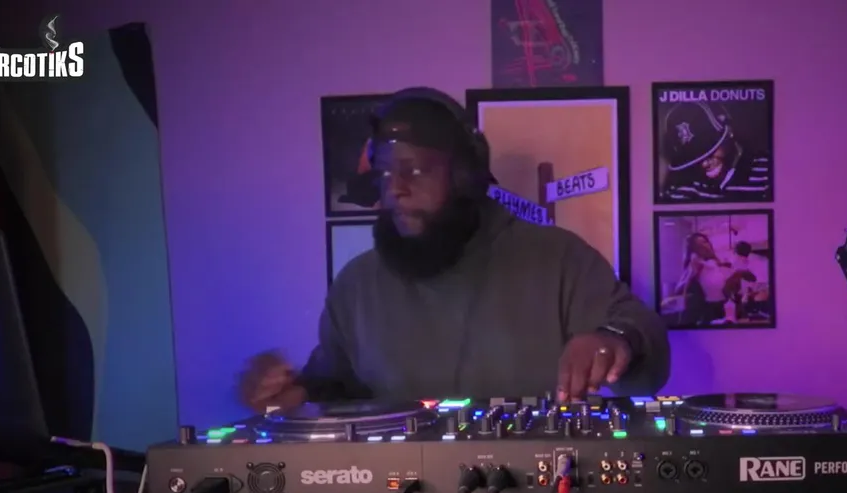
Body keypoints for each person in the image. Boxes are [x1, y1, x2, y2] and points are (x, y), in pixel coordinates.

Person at [239, 87, 670, 411]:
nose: (395, 189)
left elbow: (644, 342)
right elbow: (333, 387)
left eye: (415, 170)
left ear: (466, 176)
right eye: (385, 173)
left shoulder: (558, 259)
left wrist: (614, 342)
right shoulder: (356, 285)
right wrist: (291, 394)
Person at [658, 101, 771, 202]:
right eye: (694, 158)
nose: (704, 164)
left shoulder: (767, 172)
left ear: (729, 132)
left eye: (709, 152)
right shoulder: (684, 187)